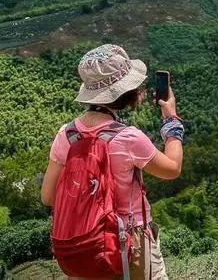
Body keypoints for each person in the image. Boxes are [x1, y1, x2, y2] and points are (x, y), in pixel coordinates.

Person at [41, 44, 184, 279]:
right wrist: (171, 120)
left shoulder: (65, 135)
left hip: (83, 245)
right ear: (125, 91)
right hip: (129, 243)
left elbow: (48, 196)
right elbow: (172, 169)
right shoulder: (128, 137)